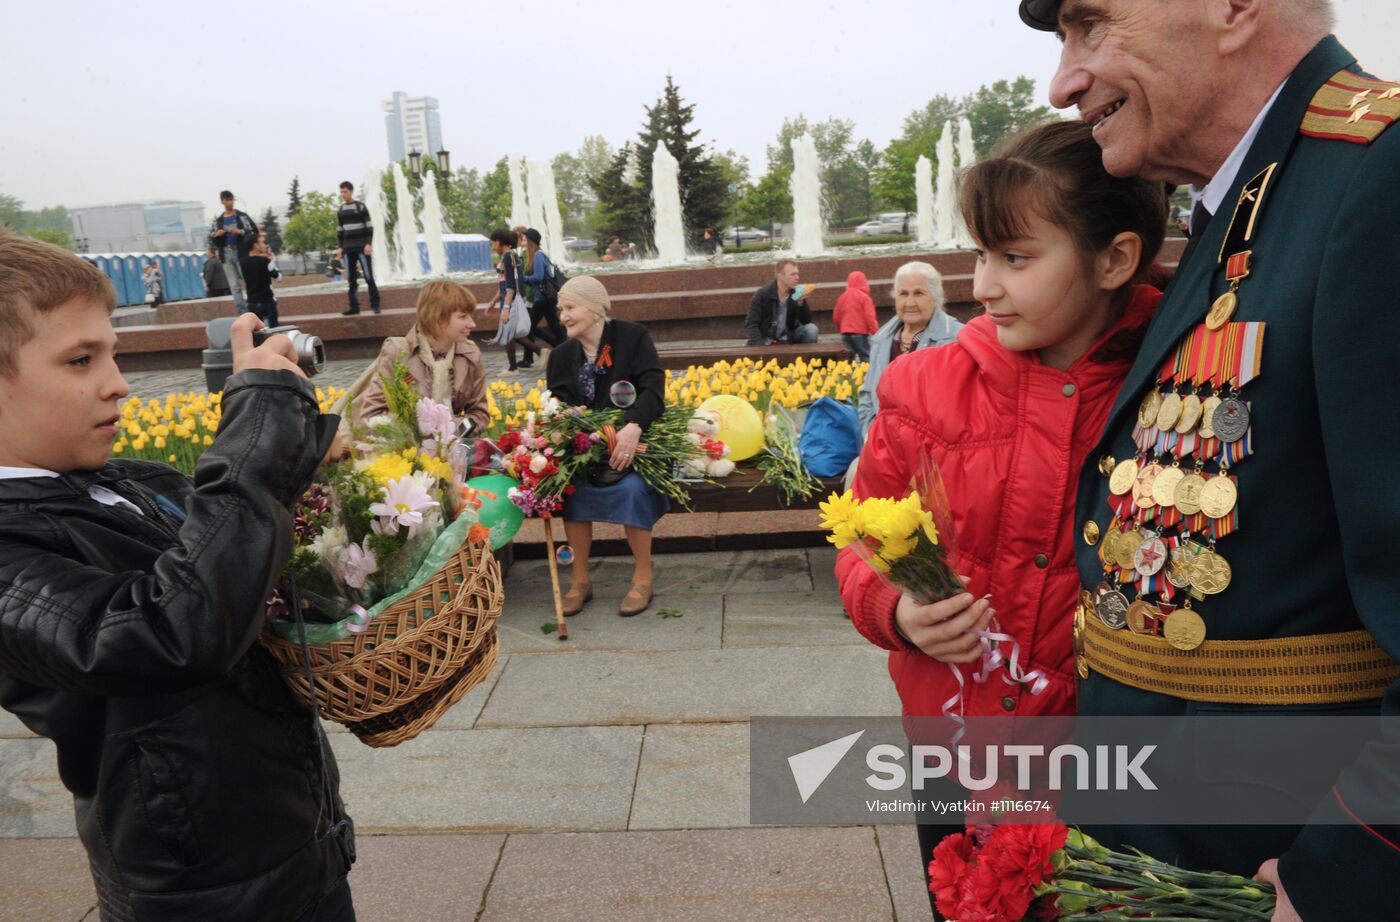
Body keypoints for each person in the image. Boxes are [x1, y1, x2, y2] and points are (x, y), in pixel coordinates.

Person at [1020, 1, 1400, 918]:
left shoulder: (1379, 177)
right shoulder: (1246, 201)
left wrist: (1345, 871)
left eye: (1090, 24)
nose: (1064, 81)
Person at [837, 119, 1166, 918]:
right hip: (952, 747)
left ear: (1115, 258)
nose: (983, 285)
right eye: (982, 255)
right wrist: (898, 612)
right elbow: (859, 543)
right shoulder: (923, 389)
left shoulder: (1181, 384)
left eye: (1016, 259)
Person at [0, 229, 355, 921]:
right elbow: (171, 629)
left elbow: (228, 558)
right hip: (198, 892)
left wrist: (300, 452)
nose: (118, 383)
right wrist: (257, 424)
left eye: (112, 354)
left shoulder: (125, 482)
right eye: (80, 360)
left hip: (298, 839)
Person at [546, 275, 667, 618]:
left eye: (570, 308)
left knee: (632, 489)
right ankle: (580, 581)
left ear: (595, 309)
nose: (563, 317)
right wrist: (573, 432)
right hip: (587, 451)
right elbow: (558, 408)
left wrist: (634, 426)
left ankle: (643, 577)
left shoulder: (633, 337)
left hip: (635, 443)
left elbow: (653, 389)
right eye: (560, 310)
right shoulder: (560, 356)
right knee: (572, 489)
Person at [354, 279, 489, 434]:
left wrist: (449, 427)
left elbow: (480, 415)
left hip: (451, 447)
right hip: (404, 452)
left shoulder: (470, 354)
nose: (472, 324)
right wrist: (417, 429)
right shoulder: (398, 353)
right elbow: (371, 415)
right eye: (463, 317)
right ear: (437, 317)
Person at [856, 262, 963, 434]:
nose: (910, 302)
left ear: (936, 298)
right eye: (903, 294)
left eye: (919, 293)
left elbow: (960, 404)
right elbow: (868, 396)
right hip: (885, 446)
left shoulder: (957, 339)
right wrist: (871, 435)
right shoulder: (881, 339)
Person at [486, 229, 538, 371]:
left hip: (510, 301)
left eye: (493, 243)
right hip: (508, 299)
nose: (492, 246)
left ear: (499, 241)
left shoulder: (508, 257)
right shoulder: (510, 256)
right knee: (511, 334)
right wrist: (493, 302)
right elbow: (504, 284)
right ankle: (541, 353)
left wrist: (506, 308)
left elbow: (510, 286)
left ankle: (512, 369)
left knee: (508, 335)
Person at [745, 260, 818, 346]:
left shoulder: (796, 293)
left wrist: (801, 303)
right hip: (766, 340)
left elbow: (806, 321)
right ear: (780, 276)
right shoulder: (763, 294)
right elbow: (752, 323)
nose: (797, 277)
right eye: (793, 274)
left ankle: (805, 358)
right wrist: (758, 346)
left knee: (811, 329)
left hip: (788, 338)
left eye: (797, 274)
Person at [207, 190, 257, 313]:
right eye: (226, 200)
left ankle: (254, 308)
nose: (229, 202)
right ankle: (242, 312)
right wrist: (217, 235)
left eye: (231, 199)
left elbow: (254, 231)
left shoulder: (242, 216)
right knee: (234, 286)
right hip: (226, 253)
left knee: (249, 281)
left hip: (241, 252)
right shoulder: (219, 220)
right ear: (222, 201)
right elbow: (212, 238)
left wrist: (240, 231)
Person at [336, 181, 380, 316]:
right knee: (352, 279)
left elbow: (369, 227)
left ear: (351, 191)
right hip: (348, 249)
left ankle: (375, 304)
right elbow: (340, 231)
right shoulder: (341, 210)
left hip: (362, 247)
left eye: (345, 192)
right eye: (341, 192)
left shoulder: (360, 207)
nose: (343, 194)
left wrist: (368, 244)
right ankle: (354, 307)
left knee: (368, 276)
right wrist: (340, 247)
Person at [518, 228, 566, 347]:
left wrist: (523, 278)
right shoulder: (540, 254)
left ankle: (556, 344)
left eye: (526, 239)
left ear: (530, 241)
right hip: (545, 297)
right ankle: (565, 346)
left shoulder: (538, 256)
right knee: (555, 327)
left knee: (528, 326)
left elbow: (538, 277)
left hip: (542, 297)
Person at [831, 270, 878, 363]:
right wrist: (876, 333)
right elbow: (870, 317)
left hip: (845, 333)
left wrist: (842, 329)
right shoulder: (864, 298)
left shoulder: (842, 297)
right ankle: (867, 376)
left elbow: (836, 317)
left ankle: (849, 376)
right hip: (860, 334)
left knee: (848, 358)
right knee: (866, 356)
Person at [240, 236, 281, 327]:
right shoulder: (266, 261)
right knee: (272, 331)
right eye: (262, 242)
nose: (265, 245)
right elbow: (279, 278)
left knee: (258, 333)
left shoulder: (243, 262)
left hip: (252, 302)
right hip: (267, 301)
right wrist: (272, 260)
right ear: (256, 245)